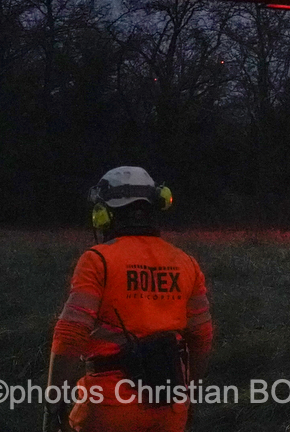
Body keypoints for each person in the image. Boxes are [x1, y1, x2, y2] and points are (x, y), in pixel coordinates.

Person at [45, 167, 213, 432]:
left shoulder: (97, 260)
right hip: (169, 409)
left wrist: (53, 405)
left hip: (107, 408)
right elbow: (202, 337)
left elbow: (69, 335)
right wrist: (190, 398)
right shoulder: (186, 263)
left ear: (104, 216)